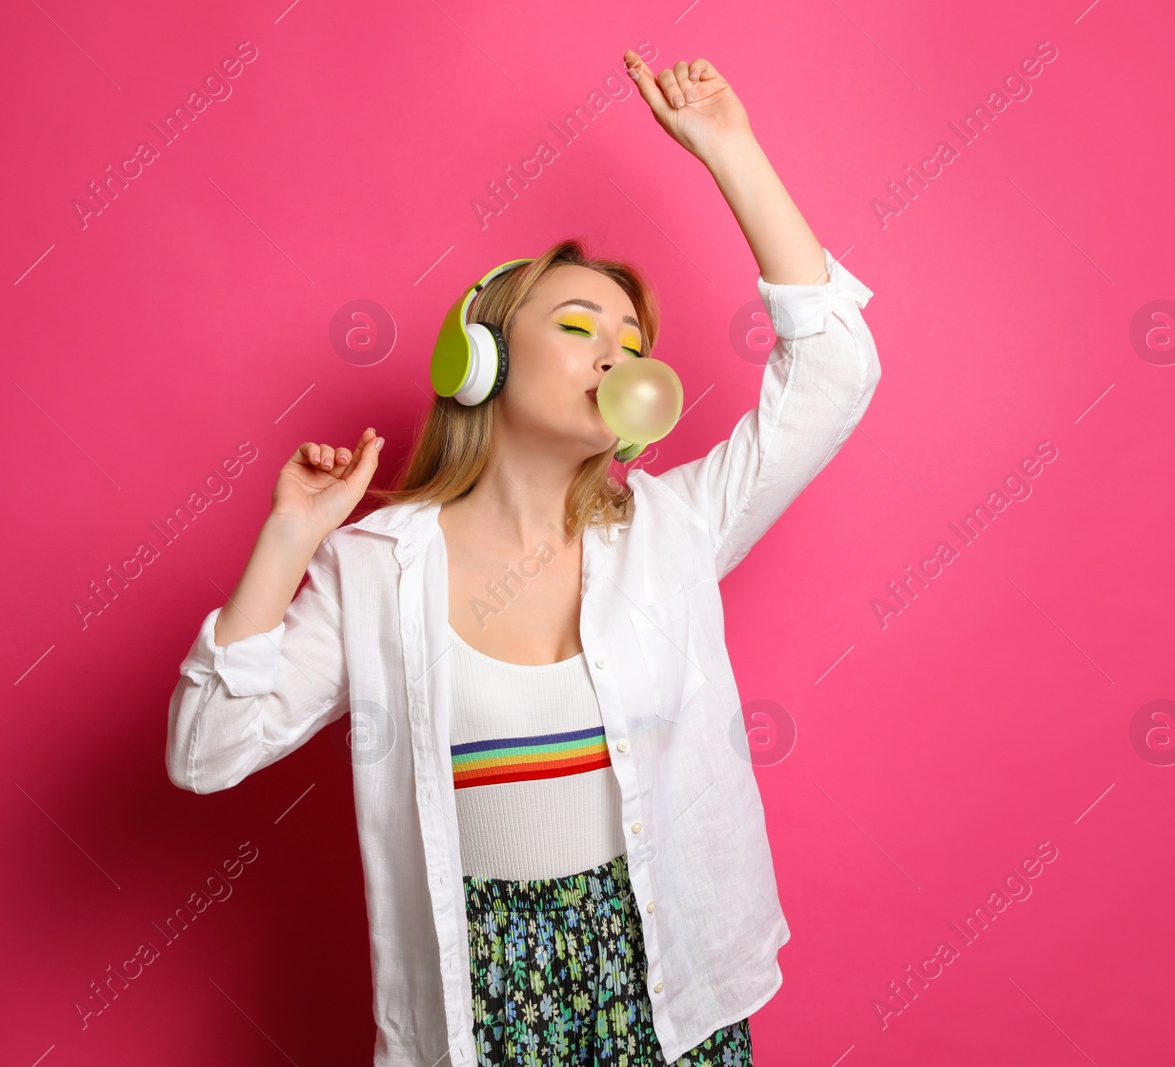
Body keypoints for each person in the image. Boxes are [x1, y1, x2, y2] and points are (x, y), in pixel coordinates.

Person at [166, 50, 882, 1067]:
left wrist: (729, 149)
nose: (616, 356)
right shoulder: (377, 566)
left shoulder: (669, 531)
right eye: (580, 325)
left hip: (673, 983)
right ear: (480, 361)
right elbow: (205, 752)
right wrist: (288, 539)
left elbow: (836, 370)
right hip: (485, 997)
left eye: (632, 343)